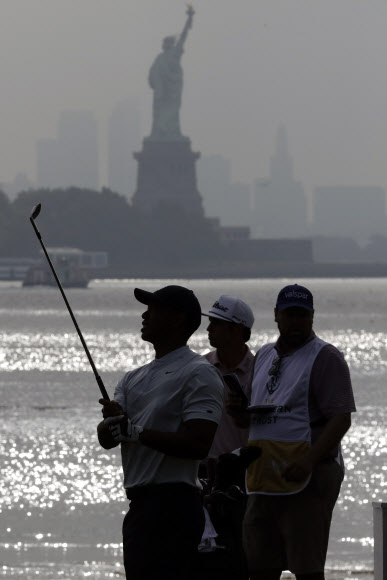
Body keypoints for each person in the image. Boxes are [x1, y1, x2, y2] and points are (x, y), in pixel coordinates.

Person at [227, 284, 356, 580]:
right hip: (262, 478)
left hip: (308, 478)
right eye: (289, 315)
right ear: (276, 315)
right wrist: (237, 412)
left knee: (307, 568)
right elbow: (253, 419)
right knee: (259, 566)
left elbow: (341, 419)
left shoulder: (325, 357)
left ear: (312, 317)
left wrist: (308, 461)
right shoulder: (264, 355)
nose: (296, 322)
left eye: (302, 315)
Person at [97, 285, 224, 580]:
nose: (144, 315)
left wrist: (134, 430)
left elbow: (199, 444)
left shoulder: (199, 372)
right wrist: (112, 423)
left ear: (177, 319)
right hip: (138, 509)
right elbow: (107, 440)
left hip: (177, 506)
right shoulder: (131, 378)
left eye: (153, 309)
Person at [202, 295, 255, 480]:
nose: (208, 328)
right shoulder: (200, 368)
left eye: (216, 323)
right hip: (206, 473)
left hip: (247, 472)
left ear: (237, 329)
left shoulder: (261, 372)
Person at [148, 6, 194, 140]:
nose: (165, 44)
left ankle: (171, 134)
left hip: (171, 93)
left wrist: (189, 19)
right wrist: (157, 85)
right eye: (164, 43)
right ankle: (161, 133)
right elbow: (152, 76)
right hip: (163, 93)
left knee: (172, 114)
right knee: (162, 114)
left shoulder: (175, 53)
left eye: (166, 42)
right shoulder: (159, 58)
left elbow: (183, 36)